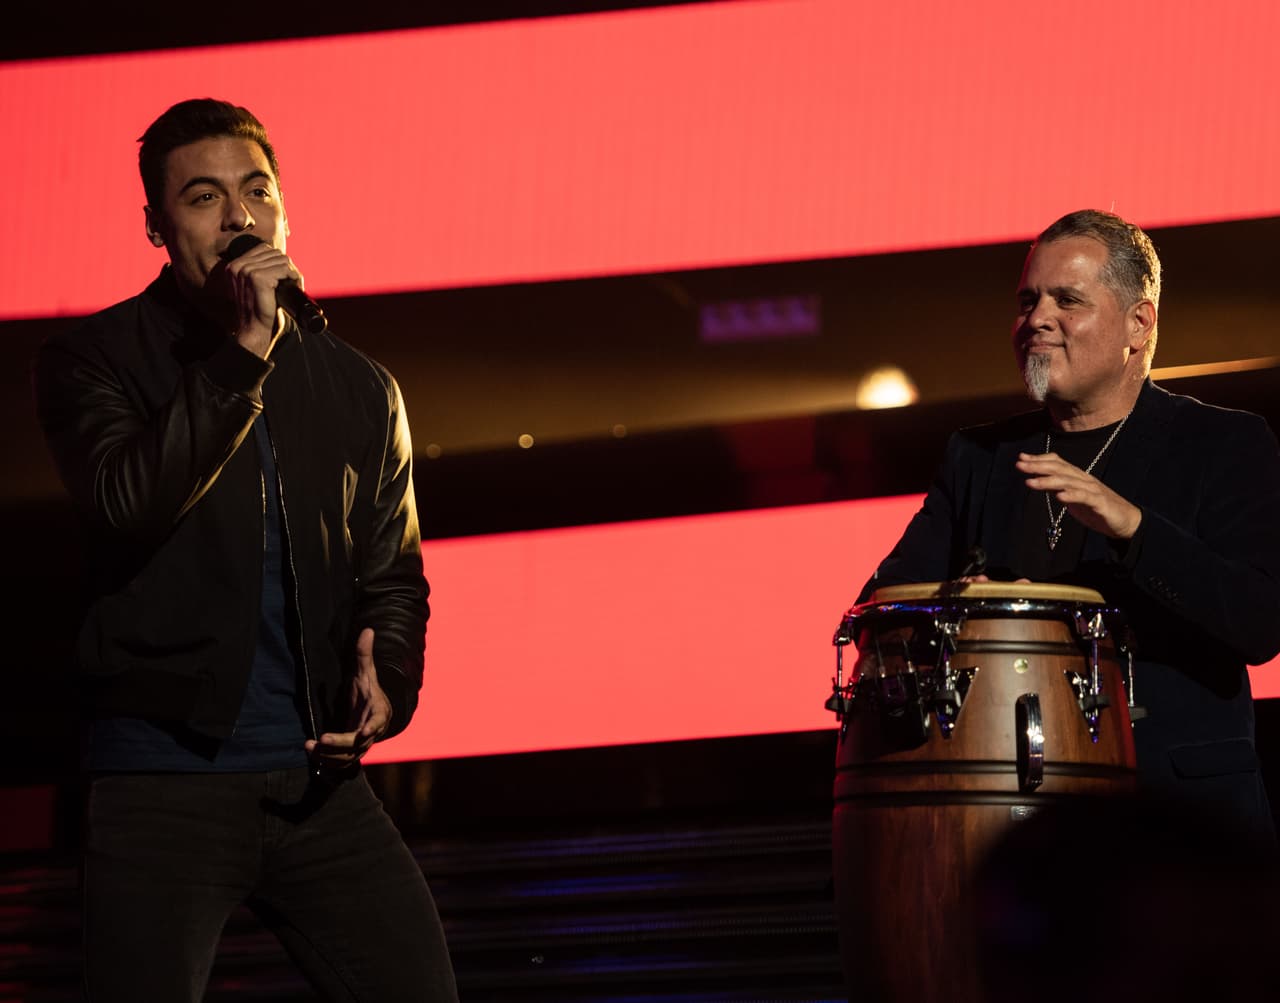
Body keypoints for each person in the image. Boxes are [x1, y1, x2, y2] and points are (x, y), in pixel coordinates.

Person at [32, 97, 459, 1001]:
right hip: (160, 783)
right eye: (202, 197)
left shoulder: (357, 384)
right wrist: (240, 351)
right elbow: (127, 504)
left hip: (315, 783)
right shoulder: (95, 359)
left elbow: (393, 573)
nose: (237, 217)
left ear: (284, 211)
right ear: (156, 224)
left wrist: (394, 681)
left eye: (256, 191)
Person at [858, 208, 1280, 840]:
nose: (1037, 321)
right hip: (1011, 828)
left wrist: (1133, 528)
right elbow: (884, 608)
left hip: (1184, 827)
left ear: (1139, 323)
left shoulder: (1223, 443)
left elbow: (1260, 622)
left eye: (1067, 300)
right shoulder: (977, 458)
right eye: (1028, 302)